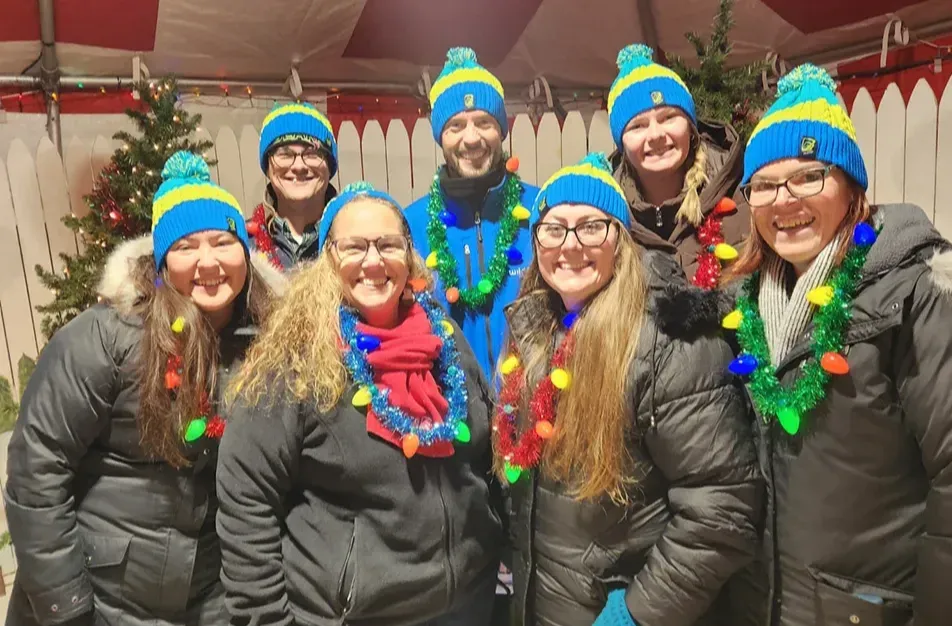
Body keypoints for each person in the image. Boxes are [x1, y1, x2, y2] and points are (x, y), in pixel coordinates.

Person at [3, 151, 285, 626]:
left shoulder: (266, 341)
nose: (209, 262)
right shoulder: (106, 337)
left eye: (223, 242)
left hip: (211, 599)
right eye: (187, 247)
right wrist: (65, 603)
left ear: (246, 254)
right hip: (105, 597)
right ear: (161, 260)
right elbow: (37, 472)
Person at [723, 63, 952, 626]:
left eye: (809, 176)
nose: (785, 200)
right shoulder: (743, 307)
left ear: (851, 185)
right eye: (766, 185)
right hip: (762, 605)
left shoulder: (915, 291)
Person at [217, 181, 503, 626]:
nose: (373, 261)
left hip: (466, 603)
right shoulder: (296, 360)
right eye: (354, 247)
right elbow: (245, 501)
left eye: (388, 244)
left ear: (408, 255)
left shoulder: (444, 340)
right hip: (357, 614)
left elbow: (484, 451)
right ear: (329, 258)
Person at [498, 153, 762, 626]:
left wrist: (637, 614)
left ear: (620, 239)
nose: (571, 245)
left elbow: (723, 506)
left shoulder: (668, 338)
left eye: (591, 227)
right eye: (553, 228)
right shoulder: (535, 331)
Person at [404, 46, 539, 377]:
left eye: (483, 122)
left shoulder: (540, 210)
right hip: (451, 413)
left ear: (501, 129)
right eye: (456, 126)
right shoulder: (412, 224)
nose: (472, 139)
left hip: (534, 410)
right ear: (440, 137)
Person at [608, 43, 749, 289]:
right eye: (637, 126)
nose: (655, 135)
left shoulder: (744, 193)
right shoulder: (606, 216)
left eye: (668, 118)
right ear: (622, 145)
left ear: (691, 128)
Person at [246, 101, 340, 269]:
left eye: (312, 153)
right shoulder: (243, 244)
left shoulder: (355, 239)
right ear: (267, 167)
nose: (299, 166)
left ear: (330, 165)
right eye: (284, 154)